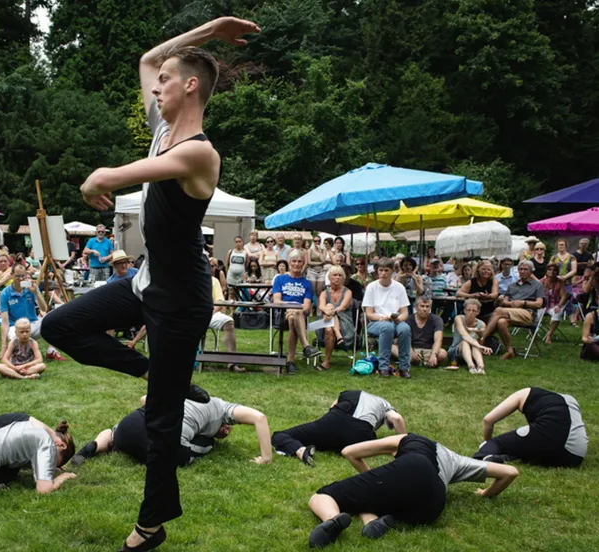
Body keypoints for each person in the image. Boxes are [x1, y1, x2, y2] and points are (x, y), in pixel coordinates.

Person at [40, 17, 260, 551]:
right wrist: (210, 31)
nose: (155, 85)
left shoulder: (200, 153)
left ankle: (151, 524)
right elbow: (145, 59)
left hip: (181, 299)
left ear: (189, 87)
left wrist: (100, 174)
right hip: (146, 282)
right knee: (59, 325)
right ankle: (162, 374)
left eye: (167, 79)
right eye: (158, 80)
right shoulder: (164, 130)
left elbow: (114, 178)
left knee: (160, 424)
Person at [307, 434, 519, 547]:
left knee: (323, 494)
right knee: (370, 498)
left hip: (413, 466)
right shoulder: (458, 459)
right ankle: (372, 523)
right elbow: (510, 472)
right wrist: (485, 493)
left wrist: (368, 475)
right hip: (434, 503)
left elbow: (349, 452)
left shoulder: (407, 438)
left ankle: (330, 519)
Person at [71, 395, 272, 467]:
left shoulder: (190, 395)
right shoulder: (224, 409)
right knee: (208, 445)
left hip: (129, 426)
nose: (226, 432)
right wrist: (265, 458)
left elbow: (144, 399)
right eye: (227, 429)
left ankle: (95, 447)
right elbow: (260, 418)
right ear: (228, 421)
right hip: (159, 446)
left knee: (113, 432)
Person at [271, 390, 405, 466]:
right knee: (369, 439)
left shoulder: (349, 393)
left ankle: (300, 451)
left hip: (329, 423)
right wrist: (403, 445)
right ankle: (336, 446)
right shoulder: (386, 405)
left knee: (279, 435)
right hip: (358, 436)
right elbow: (397, 418)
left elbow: (332, 407)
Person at [474, 388, 587, 468]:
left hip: (550, 439)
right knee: (528, 444)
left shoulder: (523, 394)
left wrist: (487, 441)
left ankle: (481, 458)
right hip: (575, 456)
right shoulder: (570, 401)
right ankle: (504, 458)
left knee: (493, 444)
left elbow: (488, 420)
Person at [481, 261, 544, 360]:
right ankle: (509, 351)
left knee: (498, 310)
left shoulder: (537, 285)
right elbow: (504, 302)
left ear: (531, 271)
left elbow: (539, 304)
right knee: (501, 322)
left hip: (528, 313)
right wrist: (511, 304)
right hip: (512, 312)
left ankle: (482, 340)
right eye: (520, 269)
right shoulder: (513, 285)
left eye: (525, 269)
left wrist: (523, 303)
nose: (522, 271)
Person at [363, 257, 412, 378]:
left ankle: (404, 367)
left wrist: (399, 319)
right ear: (377, 271)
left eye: (386, 270)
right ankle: (383, 366)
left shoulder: (399, 287)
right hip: (376, 322)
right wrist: (381, 318)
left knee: (405, 329)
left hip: (395, 321)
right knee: (387, 327)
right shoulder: (371, 287)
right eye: (381, 270)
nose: (383, 273)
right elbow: (368, 313)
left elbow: (405, 312)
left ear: (392, 271)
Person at [273, 251, 319, 375]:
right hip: (282, 315)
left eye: (299, 261)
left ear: (303, 264)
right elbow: (277, 301)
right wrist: (292, 307)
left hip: (298, 316)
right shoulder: (280, 279)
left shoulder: (306, 284)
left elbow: (307, 307)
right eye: (294, 261)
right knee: (295, 313)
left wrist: (295, 310)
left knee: (295, 316)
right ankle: (306, 347)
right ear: (289, 262)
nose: (296, 264)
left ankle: (290, 362)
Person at [0, 264, 52, 356]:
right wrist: (3, 347)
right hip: (15, 327)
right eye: (17, 276)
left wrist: (36, 293)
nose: (20, 279)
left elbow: (44, 308)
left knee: (51, 319)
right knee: (13, 337)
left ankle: (51, 351)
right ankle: (23, 353)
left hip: (32, 325)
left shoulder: (31, 288)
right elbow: (4, 321)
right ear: (11, 275)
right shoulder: (5, 293)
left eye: (23, 276)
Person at [314, 266, 353, 371]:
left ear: (343, 278)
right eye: (335, 275)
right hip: (325, 321)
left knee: (330, 310)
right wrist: (328, 310)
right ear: (329, 277)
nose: (337, 277)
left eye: (340, 275)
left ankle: (326, 361)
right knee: (328, 308)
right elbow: (321, 306)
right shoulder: (324, 293)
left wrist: (331, 312)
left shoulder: (348, 292)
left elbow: (343, 307)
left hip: (343, 323)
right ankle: (337, 335)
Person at [392, 295, 446, 368]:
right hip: (412, 348)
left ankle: (417, 360)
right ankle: (422, 361)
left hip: (429, 349)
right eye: (422, 306)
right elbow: (405, 339)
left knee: (443, 353)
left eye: (427, 307)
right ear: (416, 307)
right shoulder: (409, 319)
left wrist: (434, 354)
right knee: (392, 347)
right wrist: (411, 352)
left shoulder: (437, 319)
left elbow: (438, 340)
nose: (425, 309)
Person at [208, 274, 244, 372]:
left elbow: (219, 301)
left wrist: (209, 314)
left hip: (210, 313)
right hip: (189, 314)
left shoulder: (213, 281)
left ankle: (232, 361)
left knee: (229, 321)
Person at [448, 298, 492, 374]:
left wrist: (479, 334)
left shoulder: (481, 324)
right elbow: (464, 334)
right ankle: (471, 366)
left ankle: (481, 366)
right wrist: (479, 346)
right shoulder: (459, 318)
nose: (471, 313)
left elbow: (481, 341)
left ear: (478, 312)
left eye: (474, 311)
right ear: (464, 310)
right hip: (455, 351)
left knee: (474, 342)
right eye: (468, 310)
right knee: (466, 341)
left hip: (473, 352)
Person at [540, 263, 567, 343]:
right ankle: (532, 333)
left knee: (558, 313)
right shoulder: (541, 282)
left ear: (557, 272)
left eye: (554, 270)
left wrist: (559, 306)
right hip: (542, 305)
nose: (552, 271)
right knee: (533, 315)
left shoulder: (560, 282)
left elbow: (563, 296)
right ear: (546, 271)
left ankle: (549, 335)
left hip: (554, 304)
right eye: (550, 269)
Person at [306, 234, 328, 299]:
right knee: (312, 291)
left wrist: (319, 252)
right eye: (315, 241)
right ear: (313, 242)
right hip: (312, 271)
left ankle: (319, 308)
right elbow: (309, 262)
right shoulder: (309, 250)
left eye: (319, 241)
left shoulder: (323, 250)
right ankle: (311, 307)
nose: (317, 242)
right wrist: (320, 263)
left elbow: (323, 260)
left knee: (319, 292)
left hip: (321, 272)